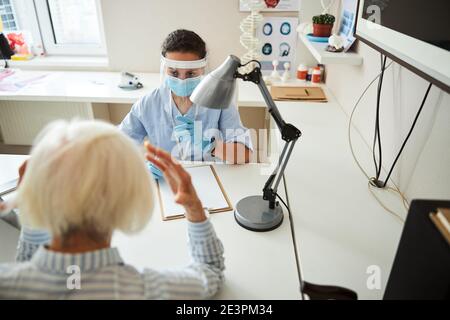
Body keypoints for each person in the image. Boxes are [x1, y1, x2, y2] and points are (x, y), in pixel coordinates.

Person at [0, 120, 224, 299]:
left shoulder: (9, 284)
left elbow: (29, 269)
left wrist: (32, 207)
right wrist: (194, 208)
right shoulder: (145, 290)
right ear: (128, 202)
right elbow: (210, 272)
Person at [119, 29, 253, 179]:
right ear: (165, 69)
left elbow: (245, 155)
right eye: (174, 73)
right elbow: (116, 147)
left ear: (202, 68)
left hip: (209, 179)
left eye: (190, 73)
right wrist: (141, 168)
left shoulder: (219, 102)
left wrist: (212, 146)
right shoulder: (148, 104)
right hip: (165, 181)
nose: (182, 80)